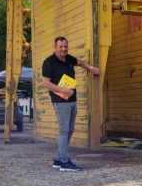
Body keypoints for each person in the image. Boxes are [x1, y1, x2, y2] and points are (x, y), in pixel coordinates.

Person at [42, 36, 101, 172]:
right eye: (60, 47)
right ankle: (64, 162)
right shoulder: (49, 62)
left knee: (70, 129)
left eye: (65, 46)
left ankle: (58, 159)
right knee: (64, 130)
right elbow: (45, 83)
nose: (63, 49)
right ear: (55, 47)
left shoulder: (69, 59)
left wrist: (90, 68)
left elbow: (80, 63)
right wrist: (63, 90)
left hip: (72, 99)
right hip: (60, 100)